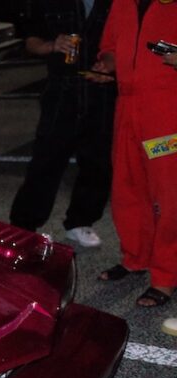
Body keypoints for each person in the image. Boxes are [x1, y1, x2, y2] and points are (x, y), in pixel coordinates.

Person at [89, 0, 177, 307]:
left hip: (167, 111)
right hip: (127, 106)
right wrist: (109, 64)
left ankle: (165, 276)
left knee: (169, 198)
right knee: (127, 187)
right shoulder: (122, 2)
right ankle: (135, 257)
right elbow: (110, 46)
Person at [8, 0, 115, 249]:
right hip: (61, 92)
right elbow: (30, 41)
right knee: (46, 161)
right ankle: (24, 225)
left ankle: (81, 221)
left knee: (98, 163)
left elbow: (124, 40)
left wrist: (111, 64)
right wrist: (50, 45)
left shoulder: (116, 3)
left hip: (103, 91)